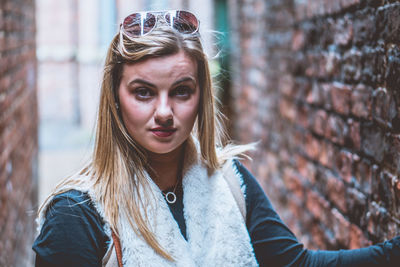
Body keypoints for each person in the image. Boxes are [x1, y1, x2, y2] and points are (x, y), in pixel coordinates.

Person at [33, 10, 400, 267]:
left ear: (201, 97)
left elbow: (294, 263)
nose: (164, 111)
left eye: (181, 91)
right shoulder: (76, 214)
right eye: (143, 92)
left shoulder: (229, 182)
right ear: (115, 99)